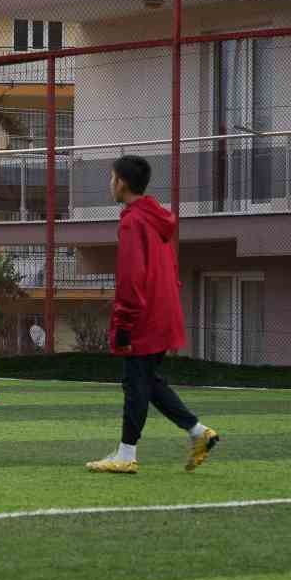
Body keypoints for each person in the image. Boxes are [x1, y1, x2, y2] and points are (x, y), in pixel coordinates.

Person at [87, 155, 219, 474]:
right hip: (162, 309)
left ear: (121, 182)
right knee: (148, 382)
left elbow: (131, 279)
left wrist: (123, 325)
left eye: (111, 177)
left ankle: (126, 454)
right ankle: (199, 433)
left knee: (135, 384)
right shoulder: (154, 217)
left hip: (144, 315)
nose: (109, 183)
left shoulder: (133, 221)